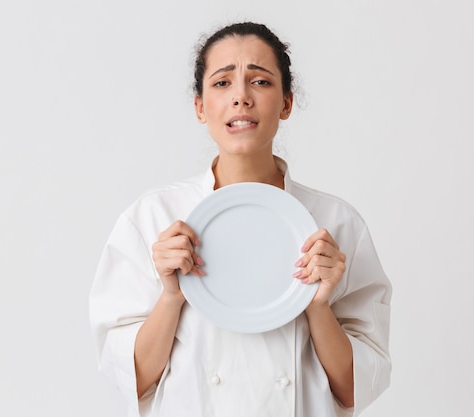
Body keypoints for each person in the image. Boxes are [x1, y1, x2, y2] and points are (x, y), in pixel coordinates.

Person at [90, 22, 392, 417]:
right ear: (200, 106)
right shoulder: (152, 219)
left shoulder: (336, 224)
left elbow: (356, 389)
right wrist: (171, 295)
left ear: (286, 103)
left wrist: (318, 305)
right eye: (222, 83)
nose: (241, 97)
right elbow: (135, 379)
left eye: (261, 82)